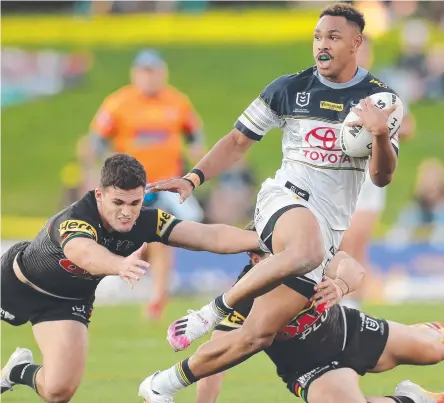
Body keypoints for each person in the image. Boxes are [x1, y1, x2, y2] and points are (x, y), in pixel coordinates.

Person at [140, 4, 403, 400]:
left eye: (332, 37)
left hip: (325, 233)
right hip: (283, 201)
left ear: (356, 43)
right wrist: (193, 177)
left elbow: (382, 177)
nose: (322, 44)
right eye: (317, 36)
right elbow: (237, 141)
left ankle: (162, 385)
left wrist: (380, 136)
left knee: (256, 334)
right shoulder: (289, 88)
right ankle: (210, 312)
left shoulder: (380, 101)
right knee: (305, 248)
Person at [0, 153, 259, 403]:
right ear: (100, 195)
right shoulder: (76, 219)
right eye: (118, 203)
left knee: (58, 391)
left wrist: (263, 241)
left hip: (66, 303)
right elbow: (84, 253)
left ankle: (16, 371)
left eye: (135, 203)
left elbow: (206, 236)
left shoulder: (147, 221)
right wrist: (119, 264)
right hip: (14, 283)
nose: (127, 212)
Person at [194, 226, 444, 403]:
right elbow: (216, 359)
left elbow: (353, 269)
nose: (281, 261)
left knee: (434, 349)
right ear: (254, 258)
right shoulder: (242, 298)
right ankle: (414, 398)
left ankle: (425, 332)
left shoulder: (306, 256)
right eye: (272, 253)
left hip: (350, 333)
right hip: (313, 371)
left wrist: (339, 285)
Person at [83, 49, 206, 319]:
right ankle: (92, 291)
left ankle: (157, 298)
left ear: (163, 73)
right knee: (120, 237)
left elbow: (194, 133)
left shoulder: (177, 102)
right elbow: (96, 140)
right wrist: (94, 172)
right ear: (135, 74)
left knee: (168, 235)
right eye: (144, 72)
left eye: (154, 72)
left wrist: (198, 157)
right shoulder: (119, 103)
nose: (149, 78)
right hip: (128, 187)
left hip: (166, 185)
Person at [339, 34, 415, 309]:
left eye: (365, 51)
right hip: (343, 174)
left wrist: (385, 128)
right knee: (345, 241)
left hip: (372, 176)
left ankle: (352, 307)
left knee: (359, 240)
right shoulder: (334, 87)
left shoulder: (383, 90)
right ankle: (342, 304)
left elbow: (408, 126)